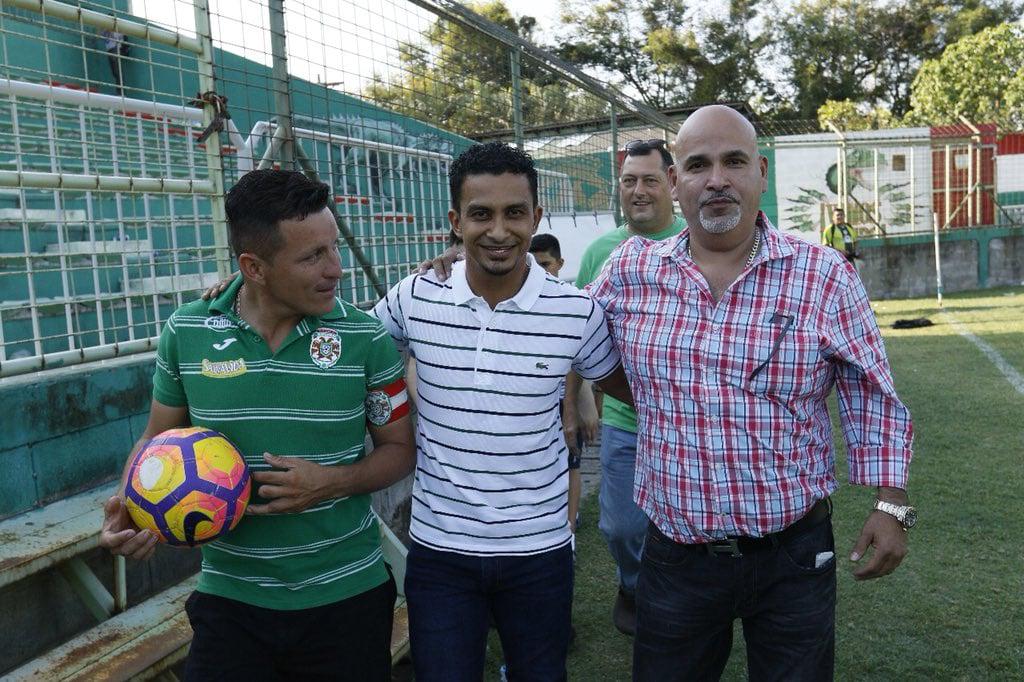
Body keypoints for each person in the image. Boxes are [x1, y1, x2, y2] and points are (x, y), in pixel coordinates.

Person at [588, 104, 915, 680]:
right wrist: (461, 269)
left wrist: (891, 503)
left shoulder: (823, 274)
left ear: (760, 173)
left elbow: (871, 393)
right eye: (698, 165)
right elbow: (565, 326)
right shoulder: (629, 271)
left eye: (734, 161)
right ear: (674, 181)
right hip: (674, 554)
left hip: (793, 554)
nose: (717, 179)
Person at [99, 169, 416, 681]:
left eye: (334, 247)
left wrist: (332, 482)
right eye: (313, 256)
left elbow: (401, 449)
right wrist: (131, 510)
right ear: (254, 267)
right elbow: (156, 441)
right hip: (231, 601)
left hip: (346, 596)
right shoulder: (189, 330)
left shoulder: (365, 337)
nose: (335, 268)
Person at [377, 142, 634, 682]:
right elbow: (345, 347)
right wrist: (246, 295)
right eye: (481, 214)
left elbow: (633, 390)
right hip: (439, 549)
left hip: (538, 553)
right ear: (455, 221)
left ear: (536, 217)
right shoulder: (416, 295)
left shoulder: (576, 311)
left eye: (514, 213)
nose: (499, 230)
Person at [566, 137, 685, 637]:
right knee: (620, 527)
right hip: (624, 420)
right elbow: (574, 331)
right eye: (629, 181)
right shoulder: (600, 252)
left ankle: (680, 602)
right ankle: (633, 584)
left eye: (650, 180)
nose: (638, 191)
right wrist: (576, 406)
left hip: (687, 420)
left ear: (672, 184)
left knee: (685, 527)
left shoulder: (695, 241)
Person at [100, 30, 128, 96]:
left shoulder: (114, 25)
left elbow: (119, 36)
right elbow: (100, 35)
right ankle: (119, 91)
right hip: (109, 49)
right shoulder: (105, 28)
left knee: (117, 71)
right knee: (114, 72)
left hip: (116, 48)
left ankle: (121, 92)